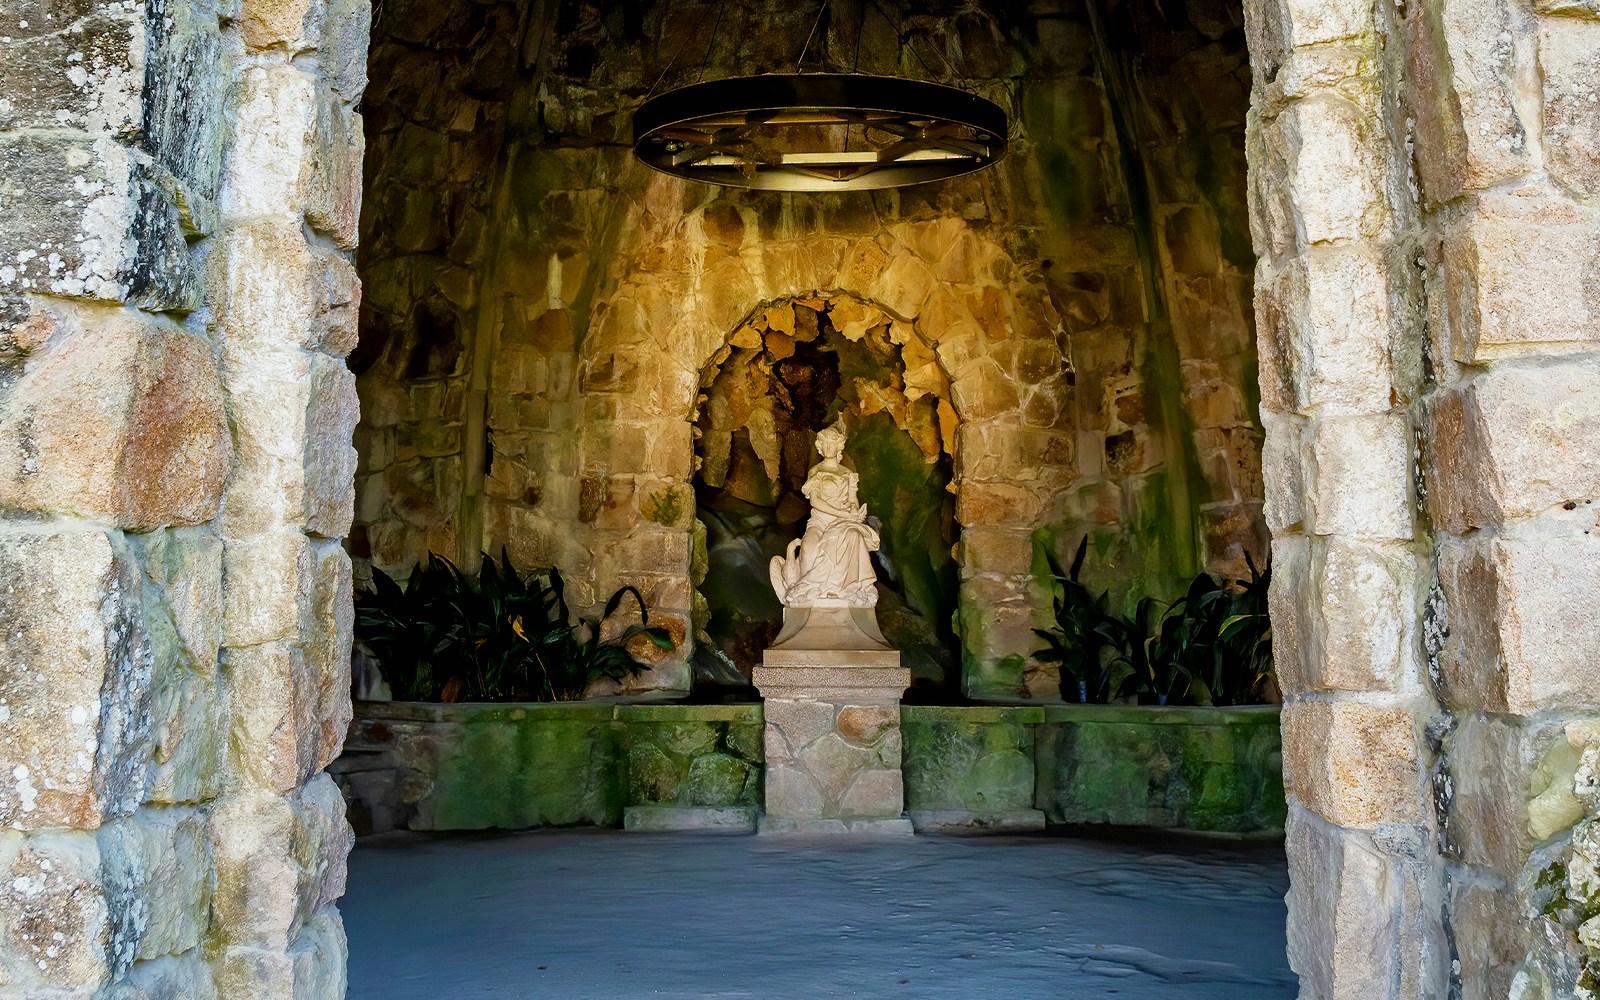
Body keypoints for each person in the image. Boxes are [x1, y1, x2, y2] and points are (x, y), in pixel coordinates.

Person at [770, 421, 880, 607]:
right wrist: (843, 514)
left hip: (843, 522)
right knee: (809, 547)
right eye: (825, 443)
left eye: (832, 443)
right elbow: (815, 502)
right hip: (820, 522)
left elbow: (852, 500)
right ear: (820, 446)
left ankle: (849, 588)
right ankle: (808, 589)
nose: (829, 447)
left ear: (839, 446)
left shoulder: (848, 473)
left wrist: (856, 511)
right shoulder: (816, 471)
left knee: (854, 536)